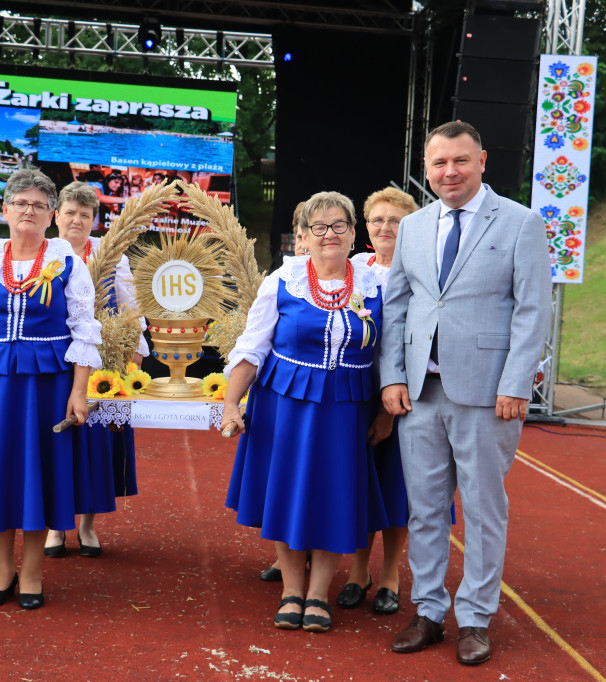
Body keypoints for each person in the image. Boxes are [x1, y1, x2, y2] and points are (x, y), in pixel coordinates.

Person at [379, 121, 551, 664]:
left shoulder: (522, 223)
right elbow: (397, 308)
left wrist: (516, 383)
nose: (448, 172)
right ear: (426, 169)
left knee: (481, 510)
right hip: (420, 394)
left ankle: (475, 618)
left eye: (459, 161)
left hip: (487, 395)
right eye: (438, 163)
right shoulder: (414, 226)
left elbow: (532, 311)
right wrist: (392, 376)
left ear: (482, 161)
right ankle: (429, 612)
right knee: (425, 510)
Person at [222, 191, 391, 633]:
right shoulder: (284, 280)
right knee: (288, 495)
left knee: (334, 497)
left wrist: (386, 411)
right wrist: (230, 403)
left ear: (354, 234)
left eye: (338, 225)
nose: (329, 234)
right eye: (318, 227)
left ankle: (319, 595)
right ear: (304, 236)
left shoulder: (378, 286)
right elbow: (253, 345)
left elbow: (389, 356)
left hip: (346, 409)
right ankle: (291, 591)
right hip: (285, 405)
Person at [0, 169, 102, 610]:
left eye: (38, 205)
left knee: (38, 474)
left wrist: (79, 392)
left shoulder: (67, 262)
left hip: (46, 385)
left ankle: (31, 570)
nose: (28, 211)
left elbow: (85, 332)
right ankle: (1, 568)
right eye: (20, 203)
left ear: (51, 215)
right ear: (5, 210)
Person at [44, 181, 148, 558]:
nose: (76, 220)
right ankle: (56, 527)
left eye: (84, 215)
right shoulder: (45, 253)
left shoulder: (112, 254)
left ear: (94, 220)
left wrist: (132, 362)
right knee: (58, 441)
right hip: (55, 362)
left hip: (104, 364)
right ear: (56, 216)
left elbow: (132, 309)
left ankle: (87, 525)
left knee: (95, 445)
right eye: (70, 212)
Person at [336, 188, 419, 616]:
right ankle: (357, 571)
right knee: (361, 485)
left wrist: (388, 412)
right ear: (365, 227)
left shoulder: (421, 272)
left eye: (396, 221)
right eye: (377, 220)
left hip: (401, 396)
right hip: (354, 395)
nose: (385, 228)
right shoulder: (352, 269)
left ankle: (390, 574)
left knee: (395, 487)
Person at [260, 199, 310, 584]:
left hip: (344, 397)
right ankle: (290, 564)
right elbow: (256, 341)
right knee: (288, 481)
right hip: (288, 394)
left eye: (330, 227)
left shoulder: (361, 280)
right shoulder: (282, 279)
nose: (312, 237)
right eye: (306, 229)